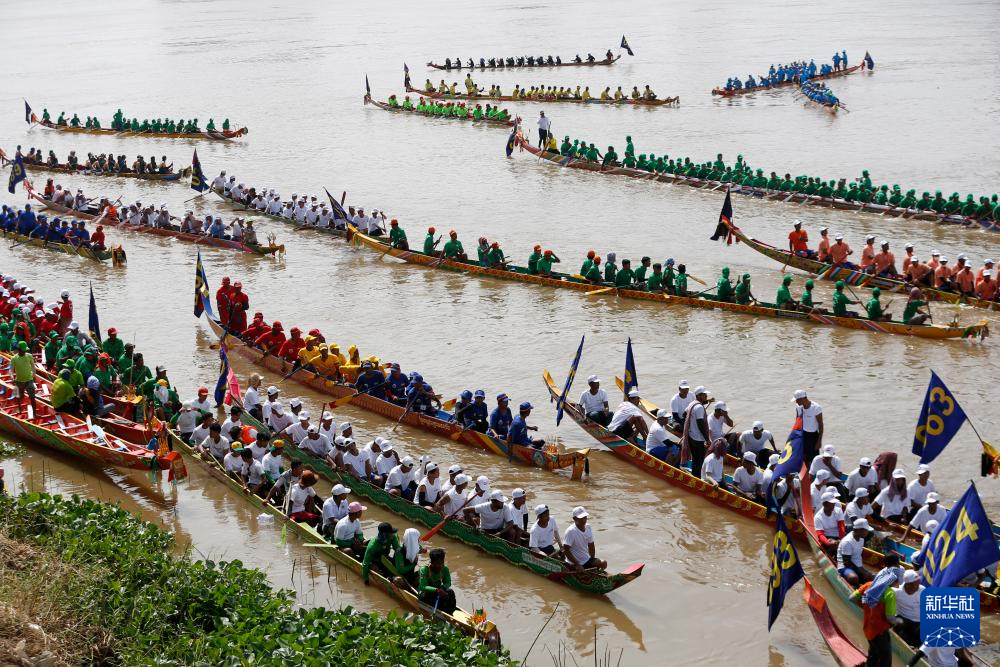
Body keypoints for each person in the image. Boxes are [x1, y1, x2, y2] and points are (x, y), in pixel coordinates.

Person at [850, 566, 901, 667]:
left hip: (868, 627)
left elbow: (851, 598)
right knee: (885, 659)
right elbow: (889, 617)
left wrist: (864, 607)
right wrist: (897, 622)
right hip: (880, 631)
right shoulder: (889, 593)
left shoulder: (868, 585)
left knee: (873, 653)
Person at [563, 506, 606, 570]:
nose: (584, 520)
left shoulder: (588, 527)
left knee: (604, 563)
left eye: (585, 517)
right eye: (581, 518)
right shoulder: (570, 531)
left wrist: (592, 559)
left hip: (586, 559)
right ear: (574, 519)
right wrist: (577, 564)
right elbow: (566, 551)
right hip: (574, 563)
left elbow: (591, 545)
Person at [682, 386, 711, 477]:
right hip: (698, 439)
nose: (706, 396)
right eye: (704, 394)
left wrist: (690, 427)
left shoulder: (692, 404)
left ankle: (695, 475)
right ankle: (698, 477)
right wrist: (707, 439)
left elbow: (684, 415)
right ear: (699, 396)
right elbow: (700, 424)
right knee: (700, 460)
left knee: (695, 459)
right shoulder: (699, 407)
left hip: (691, 436)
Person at [417, 548, 456, 614]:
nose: (440, 566)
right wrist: (436, 590)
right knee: (426, 597)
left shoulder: (445, 569)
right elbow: (422, 587)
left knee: (450, 592)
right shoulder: (424, 570)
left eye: (442, 563)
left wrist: (443, 588)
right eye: (438, 563)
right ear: (432, 562)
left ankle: (450, 613)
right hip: (427, 593)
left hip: (438, 591)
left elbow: (448, 582)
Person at [836, 519, 873, 586]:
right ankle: (856, 586)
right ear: (859, 530)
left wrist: (863, 570)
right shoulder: (847, 542)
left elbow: (858, 554)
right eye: (866, 530)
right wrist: (861, 571)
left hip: (857, 565)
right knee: (854, 578)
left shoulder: (861, 538)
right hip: (844, 566)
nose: (867, 532)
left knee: (871, 577)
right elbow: (846, 562)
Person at [793, 389, 823, 464]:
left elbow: (821, 425)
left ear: (803, 399)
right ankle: (806, 472)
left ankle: (813, 472)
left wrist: (819, 441)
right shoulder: (798, 406)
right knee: (804, 455)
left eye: (797, 400)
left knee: (814, 458)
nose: (796, 402)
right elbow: (797, 420)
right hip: (803, 434)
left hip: (813, 436)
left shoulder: (816, 407)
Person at [10, 341, 37, 415]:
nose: (24, 351)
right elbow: (11, 369)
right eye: (23, 350)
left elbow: (33, 367)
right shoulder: (14, 358)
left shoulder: (29, 356)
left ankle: (35, 413)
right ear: (19, 349)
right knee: (19, 396)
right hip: (19, 381)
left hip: (29, 380)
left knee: (32, 397)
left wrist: (34, 375)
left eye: (25, 350)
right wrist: (12, 377)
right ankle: (19, 409)